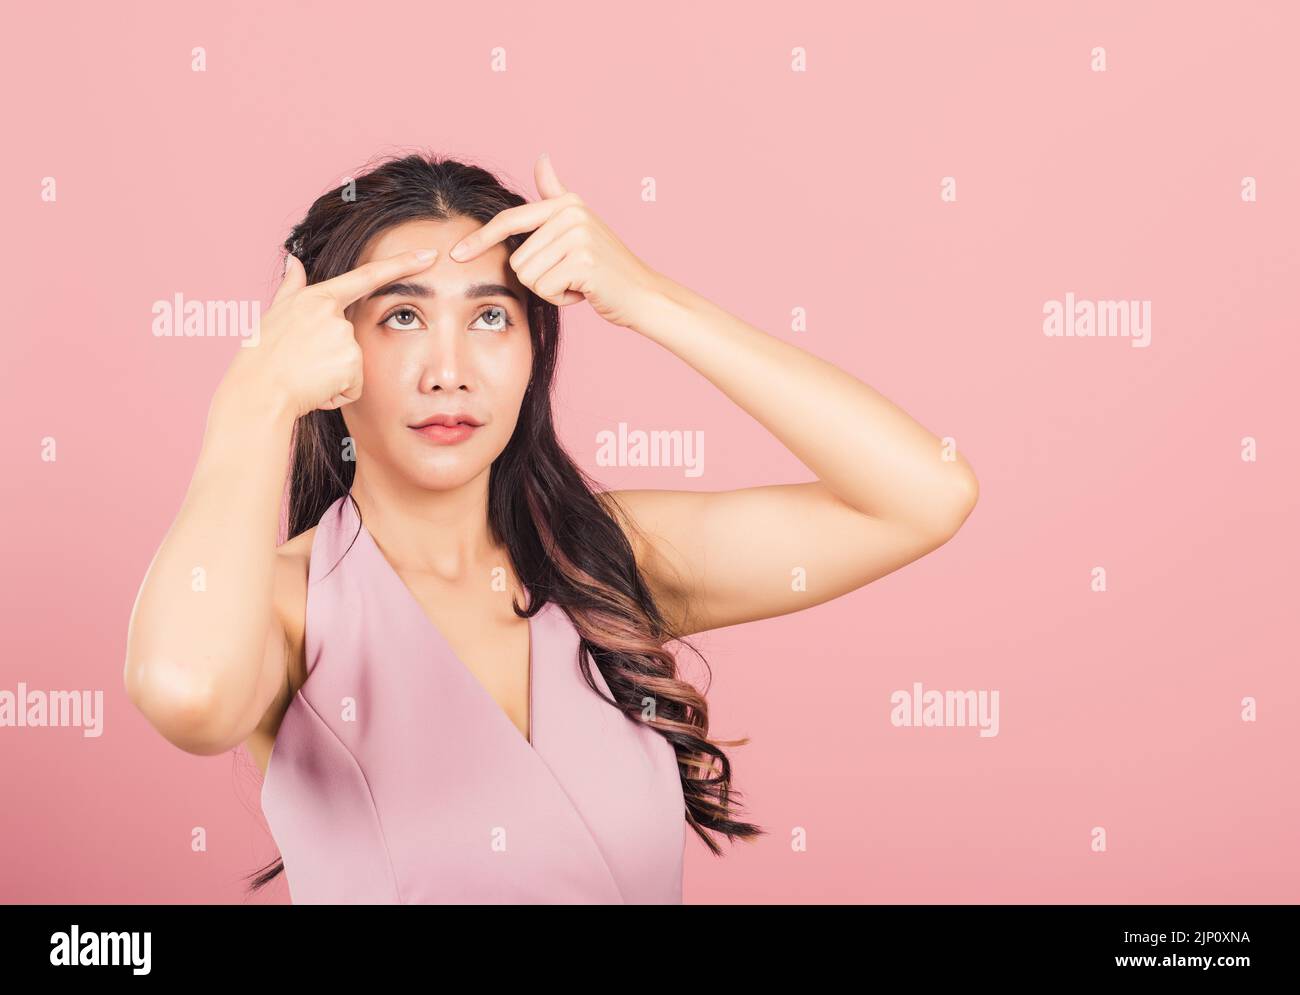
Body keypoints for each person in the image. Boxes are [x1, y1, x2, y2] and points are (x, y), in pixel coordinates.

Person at [123, 151, 979, 904]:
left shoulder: (604, 559)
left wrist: (649, 298)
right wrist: (255, 400)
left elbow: (923, 494)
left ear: (536, 348)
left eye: (490, 317)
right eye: (402, 316)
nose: (450, 372)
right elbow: (189, 694)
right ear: (330, 350)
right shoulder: (288, 603)